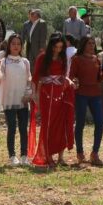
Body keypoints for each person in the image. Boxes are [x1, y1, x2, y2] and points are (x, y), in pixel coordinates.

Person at [31, 32, 75, 167]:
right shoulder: (42, 57)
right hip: (46, 95)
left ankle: (61, 157)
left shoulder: (62, 58)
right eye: (56, 47)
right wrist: (35, 97)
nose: (58, 50)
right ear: (51, 45)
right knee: (48, 125)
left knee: (61, 125)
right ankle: (48, 155)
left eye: (61, 47)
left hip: (60, 94)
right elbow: (36, 78)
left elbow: (63, 76)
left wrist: (68, 81)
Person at [69, 35, 103, 165]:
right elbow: (71, 77)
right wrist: (74, 81)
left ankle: (95, 153)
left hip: (95, 94)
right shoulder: (76, 59)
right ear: (83, 45)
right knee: (80, 123)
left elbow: (100, 78)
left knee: (99, 122)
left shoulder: (96, 59)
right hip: (81, 94)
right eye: (89, 43)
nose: (92, 46)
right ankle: (80, 153)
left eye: (93, 43)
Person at [0, 34, 32, 166]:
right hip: (9, 99)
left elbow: (29, 79)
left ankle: (24, 155)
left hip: (22, 99)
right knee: (12, 127)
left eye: (18, 44)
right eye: (13, 44)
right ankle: (12, 156)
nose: (16, 46)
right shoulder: (3, 61)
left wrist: (28, 94)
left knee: (23, 128)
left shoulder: (25, 62)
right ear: (9, 46)